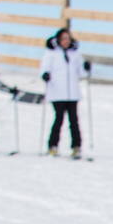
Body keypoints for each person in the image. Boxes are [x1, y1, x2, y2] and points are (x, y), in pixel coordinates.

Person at [39, 27, 91, 158]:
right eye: (63, 38)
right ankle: (53, 145)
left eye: (68, 38)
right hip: (57, 92)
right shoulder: (51, 53)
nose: (66, 41)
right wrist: (45, 75)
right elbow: (44, 69)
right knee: (59, 119)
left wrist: (86, 68)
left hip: (72, 93)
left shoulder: (75, 54)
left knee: (74, 120)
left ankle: (76, 146)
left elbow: (81, 73)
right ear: (58, 40)